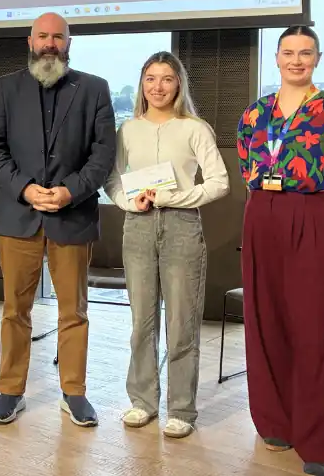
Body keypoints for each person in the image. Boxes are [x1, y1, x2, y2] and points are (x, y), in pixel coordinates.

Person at [235, 25, 324, 476]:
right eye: (289, 52)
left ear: (318, 59)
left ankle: (319, 441)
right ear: (277, 58)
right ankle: (275, 422)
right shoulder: (255, 113)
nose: (296, 60)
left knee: (317, 326)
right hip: (262, 213)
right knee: (266, 319)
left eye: (306, 53)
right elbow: (246, 164)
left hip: (317, 214)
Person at [0, 11, 116, 426]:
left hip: (72, 215)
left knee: (73, 311)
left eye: (58, 36)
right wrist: (24, 188)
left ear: (68, 42)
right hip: (18, 214)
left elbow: (103, 154)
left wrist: (70, 191)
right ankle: (11, 390)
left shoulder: (95, 88)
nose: (50, 43)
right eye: (43, 36)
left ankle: (74, 392)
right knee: (14, 310)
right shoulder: (7, 87)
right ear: (30, 41)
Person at [104, 51, 229, 439]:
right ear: (142, 85)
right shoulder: (127, 130)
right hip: (137, 227)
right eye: (151, 79)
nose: (158, 87)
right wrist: (130, 202)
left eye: (167, 79)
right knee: (141, 322)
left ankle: (181, 409)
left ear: (179, 85)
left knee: (181, 322)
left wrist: (175, 198)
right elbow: (112, 180)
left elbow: (220, 182)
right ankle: (142, 402)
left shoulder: (195, 128)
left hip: (181, 227)